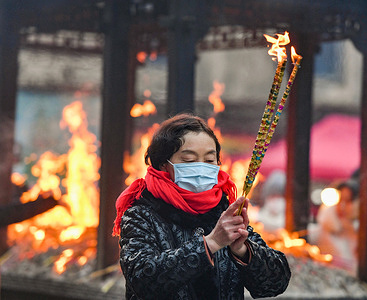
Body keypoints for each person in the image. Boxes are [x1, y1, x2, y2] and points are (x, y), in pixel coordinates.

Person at [113, 113, 291, 300]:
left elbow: (276, 282)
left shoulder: (224, 212)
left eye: (209, 160)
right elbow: (142, 282)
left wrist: (243, 250)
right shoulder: (141, 214)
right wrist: (211, 243)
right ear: (163, 165)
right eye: (189, 160)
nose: (201, 167)